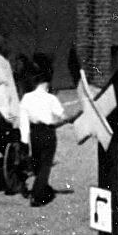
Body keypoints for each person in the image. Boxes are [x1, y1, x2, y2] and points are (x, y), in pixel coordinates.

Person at [16, 53, 73, 207]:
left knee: (37, 162)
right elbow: (62, 116)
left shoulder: (26, 98)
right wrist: (68, 118)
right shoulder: (51, 99)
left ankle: (36, 184)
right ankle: (37, 195)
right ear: (47, 84)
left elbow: (23, 123)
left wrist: (24, 141)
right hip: (48, 133)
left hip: (34, 134)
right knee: (46, 165)